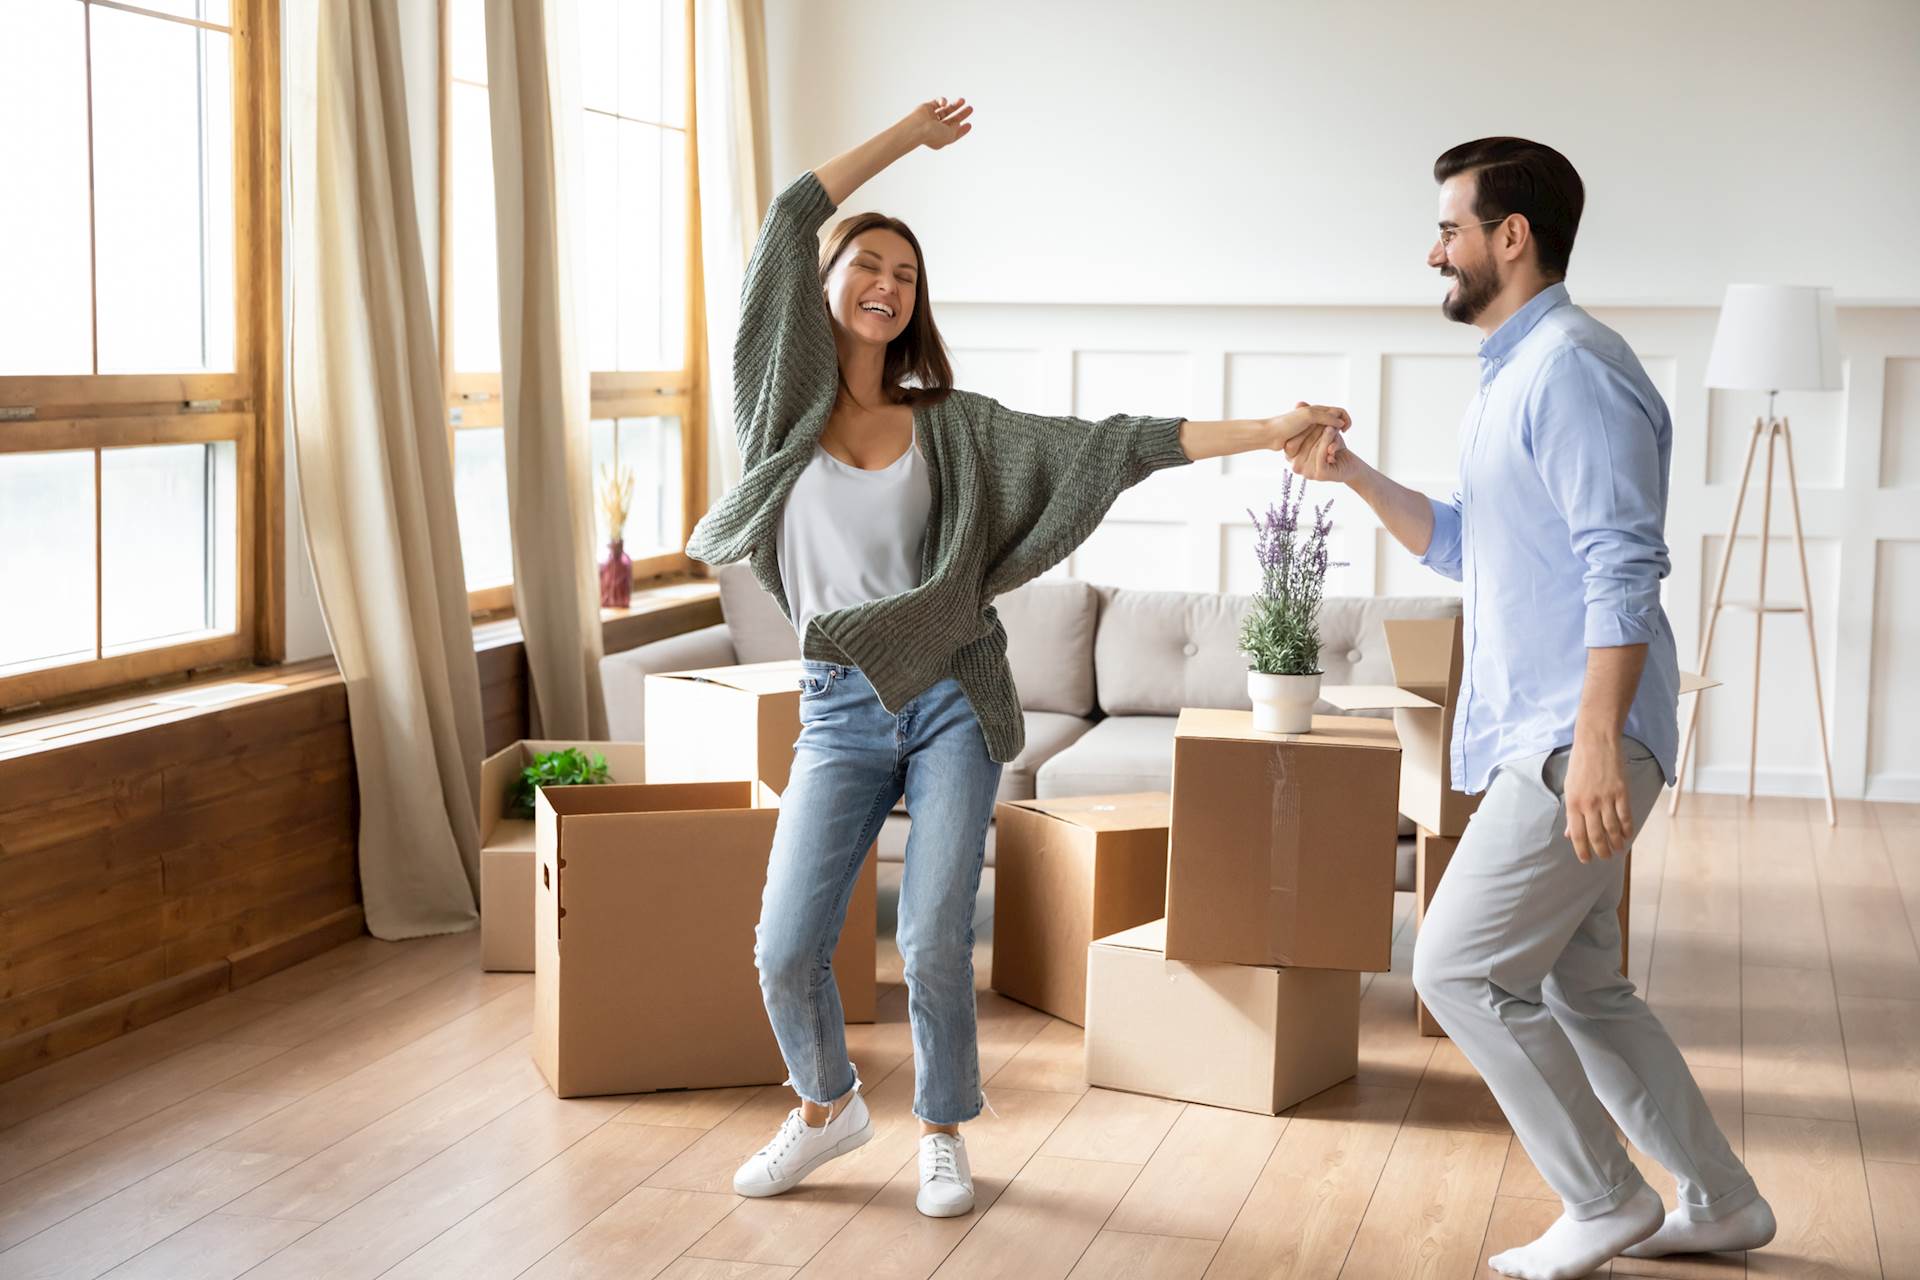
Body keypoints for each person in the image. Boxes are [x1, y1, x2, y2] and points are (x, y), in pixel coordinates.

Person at [686, 97, 1350, 1219]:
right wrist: (905, 136)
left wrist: (1264, 428)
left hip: (951, 697)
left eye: (905, 272)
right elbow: (790, 208)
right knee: (783, 945)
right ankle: (825, 1106)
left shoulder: (953, 422)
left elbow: (1115, 446)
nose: (886, 284)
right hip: (837, 707)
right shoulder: (775, 405)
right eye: (867, 263)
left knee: (937, 931)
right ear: (828, 280)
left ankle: (943, 1129)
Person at [1285, 137, 1774, 1279]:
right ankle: (1721, 1196)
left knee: (1456, 966)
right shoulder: (1517, 371)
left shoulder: (1574, 370)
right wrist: (1354, 475)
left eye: (1449, 228)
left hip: (1573, 736)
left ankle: (1602, 1197)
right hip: (1554, 730)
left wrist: (1596, 742)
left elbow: (1623, 566)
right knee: (1582, 981)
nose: (1433, 249)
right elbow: (1464, 540)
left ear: (1512, 237)